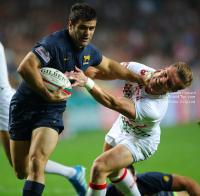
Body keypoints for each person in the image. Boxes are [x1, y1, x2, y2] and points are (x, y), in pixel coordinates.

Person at [8, 3, 148, 196]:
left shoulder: (90, 51)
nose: (87, 33)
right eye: (83, 27)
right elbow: (25, 67)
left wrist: (139, 78)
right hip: (23, 105)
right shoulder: (53, 44)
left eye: (92, 28)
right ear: (71, 25)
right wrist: (47, 93)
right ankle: (73, 173)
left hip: (51, 109)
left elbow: (110, 67)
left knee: (37, 162)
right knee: (20, 170)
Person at [67, 61, 194, 196]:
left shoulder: (154, 108)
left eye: (169, 83)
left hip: (141, 140)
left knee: (100, 167)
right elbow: (105, 70)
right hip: (122, 125)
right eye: (165, 74)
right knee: (114, 173)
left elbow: (114, 103)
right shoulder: (139, 70)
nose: (162, 80)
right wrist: (71, 75)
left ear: (173, 90)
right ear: (164, 68)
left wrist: (86, 82)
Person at [0, 42, 87, 196]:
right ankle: (72, 173)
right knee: (22, 170)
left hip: (3, 105)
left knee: (26, 165)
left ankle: (73, 173)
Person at [106, 165, 200, 196]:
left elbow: (188, 183)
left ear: (135, 176)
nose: (124, 184)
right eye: (119, 180)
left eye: (127, 179)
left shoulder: (150, 179)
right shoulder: (108, 193)